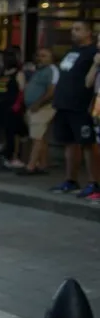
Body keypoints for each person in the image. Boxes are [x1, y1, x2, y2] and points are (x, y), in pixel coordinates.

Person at [49, 20, 100, 198]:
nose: (73, 32)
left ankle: (94, 182)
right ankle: (71, 180)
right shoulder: (71, 52)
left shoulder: (93, 52)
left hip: (80, 105)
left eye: (78, 29)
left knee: (87, 143)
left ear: (88, 33)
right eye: (72, 29)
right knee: (69, 143)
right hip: (63, 104)